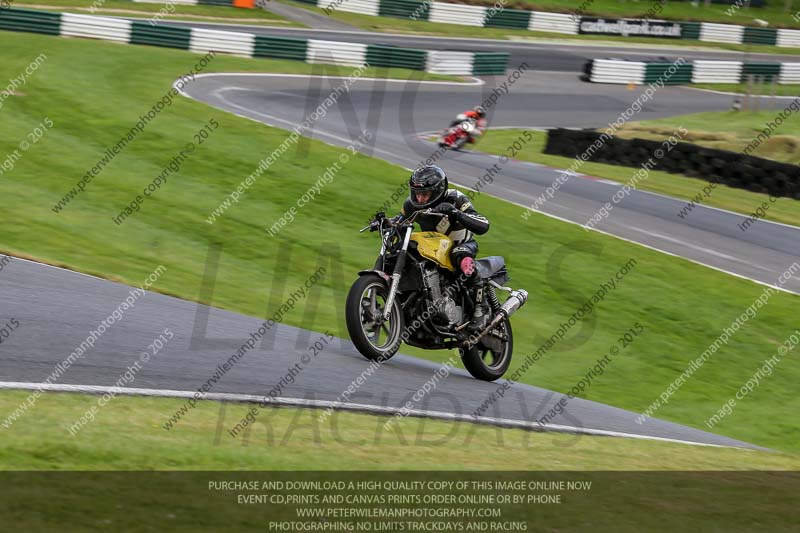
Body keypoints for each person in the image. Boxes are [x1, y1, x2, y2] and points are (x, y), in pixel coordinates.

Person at [393, 165, 489, 283]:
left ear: (438, 191)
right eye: (417, 194)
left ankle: (478, 286)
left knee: (460, 255)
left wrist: (456, 212)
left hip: (461, 245)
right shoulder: (411, 204)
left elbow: (483, 224)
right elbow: (399, 220)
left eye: (425, 194)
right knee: (407, 249)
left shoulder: (455, 198)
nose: (420, 199)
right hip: (433, 246)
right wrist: (384, 222)